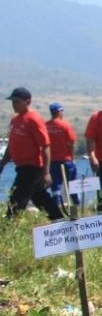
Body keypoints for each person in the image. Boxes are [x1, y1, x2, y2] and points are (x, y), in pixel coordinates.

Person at [0, 87, 63, 220]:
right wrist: (3, 163)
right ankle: (58, 220)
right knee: (40, 197)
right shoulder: (15, 120)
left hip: (32, 167)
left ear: (27, 101)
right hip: (21, 166)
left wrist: (46, 172)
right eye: (13, 101)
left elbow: (46, 146)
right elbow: (11, 144)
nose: (14, 104)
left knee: (17, 199)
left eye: (17, 101)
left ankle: (8, 227)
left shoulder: (34, 119)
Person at [46, 102, 79, 208]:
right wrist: (73, 159)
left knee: (56, 185)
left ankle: (58, 207)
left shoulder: (45, 126)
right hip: (66, 160)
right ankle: (76, 205)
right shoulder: (65, 125)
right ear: (59, 112)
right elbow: (72, 142)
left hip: (52, 161)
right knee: (72, 185)